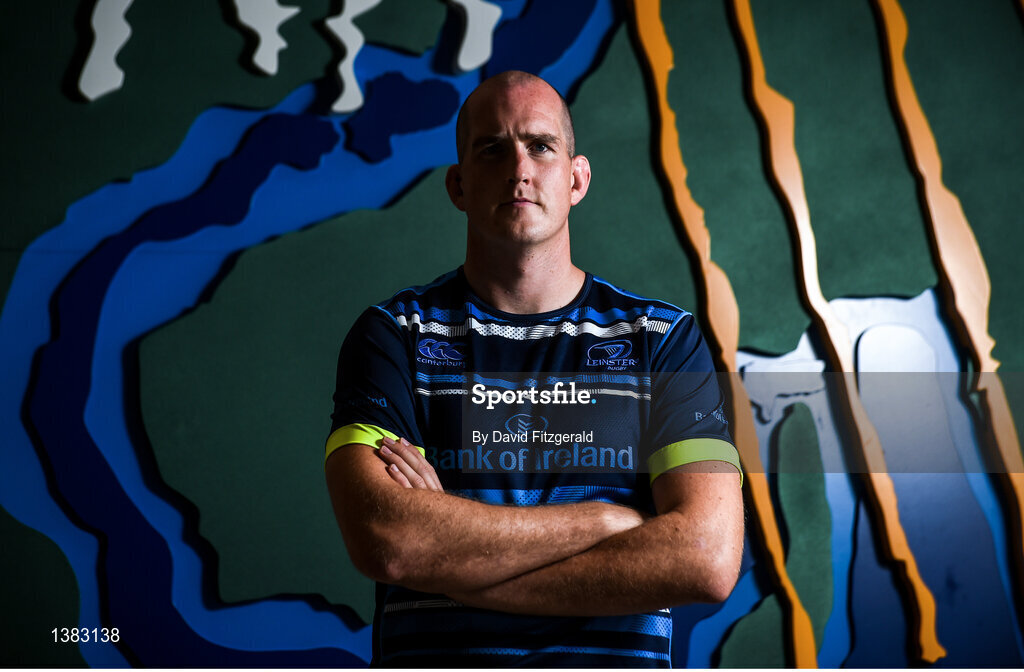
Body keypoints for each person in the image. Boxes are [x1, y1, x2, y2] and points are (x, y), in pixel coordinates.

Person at [324, 70, 744, 667]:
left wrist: (454, 564)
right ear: (459, 184)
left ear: (577, 178)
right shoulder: (393, 336)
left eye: (541, 146)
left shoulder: (662, 342)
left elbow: (706, 556)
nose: (519, 168)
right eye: (492, 149)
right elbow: (389, 540)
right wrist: (606, 520)